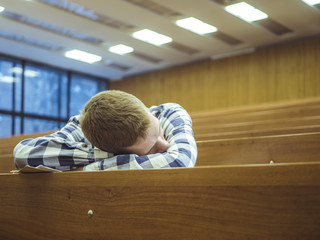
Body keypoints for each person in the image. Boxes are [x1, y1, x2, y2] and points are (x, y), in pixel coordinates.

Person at [14, 90, 197, 171]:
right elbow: (24, 155)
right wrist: (109, 159)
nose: (165, 146)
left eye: (158, 132)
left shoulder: (170, 112)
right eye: (151, 149)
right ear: (113, 152)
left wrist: (83, 172)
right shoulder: (83, 125)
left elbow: (179, 161)